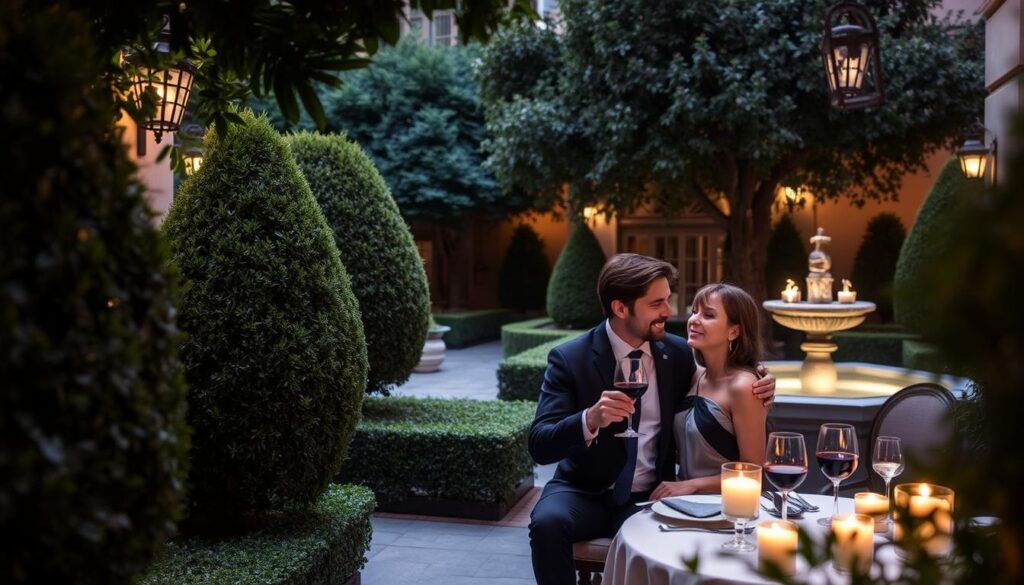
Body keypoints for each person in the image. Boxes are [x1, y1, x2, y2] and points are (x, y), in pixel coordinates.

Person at [528, 254, 776, 585]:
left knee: (658, 545)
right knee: (546, 524)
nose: (669, 313)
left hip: (650, 493)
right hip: (581, 491)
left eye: (668, 301)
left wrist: (761, 378)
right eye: (657, 303)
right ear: (620, 309)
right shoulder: (570, 358)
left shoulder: (677, 354)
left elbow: (725, 377)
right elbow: (540, 445)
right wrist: (589, 419)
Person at [649, 283, 768, 500]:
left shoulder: (743, 387)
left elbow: (753, 474)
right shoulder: (694, 375)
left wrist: (692, 485)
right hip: (680, 502)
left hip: (728, 507)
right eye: (695, 312)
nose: (694, 319)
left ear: (734, 331)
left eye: (708, 315)